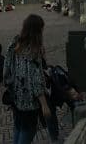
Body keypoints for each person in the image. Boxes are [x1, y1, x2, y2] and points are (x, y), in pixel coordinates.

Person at [4, 14, 51, 144]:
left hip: (16, 98)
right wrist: (44, 105)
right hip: (29, 102)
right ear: (38, 30)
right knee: (27, 131)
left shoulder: (15, 44)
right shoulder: (35, 50)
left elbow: (6, 69)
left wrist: (10, 86)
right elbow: (36, 80)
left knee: (18, 128)